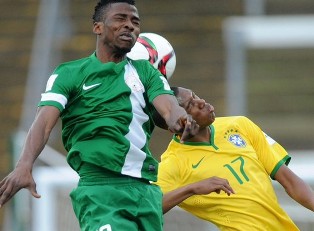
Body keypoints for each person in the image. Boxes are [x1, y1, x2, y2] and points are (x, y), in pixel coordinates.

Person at [0, 1, 200, 230]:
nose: (129, 26)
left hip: (146, 193)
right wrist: (24, 165)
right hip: (101, 190)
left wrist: (181, 119)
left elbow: (168, 106)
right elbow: (43, 122)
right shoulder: (70, 73)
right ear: (98, 27)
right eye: (120, 19)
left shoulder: (146, 73)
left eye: (135, 22)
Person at [156, 86, 314, 231]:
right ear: (174, 126)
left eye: (195, 96)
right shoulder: (173, 163)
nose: (202, 102)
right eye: (191, 105)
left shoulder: (239, 125)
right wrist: (193, 188)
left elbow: (289, 181)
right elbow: (149, 207)